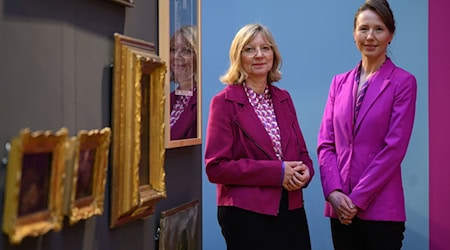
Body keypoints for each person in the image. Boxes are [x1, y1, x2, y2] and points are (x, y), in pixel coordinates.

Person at [317, 1, 417, 249]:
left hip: (380, 211)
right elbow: (325, 144)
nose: (370, 36)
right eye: (363, 29)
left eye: (378, 29)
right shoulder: (338, 83)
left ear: (390, 35)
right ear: (354, 34)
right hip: (340, 210)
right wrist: (334, 193)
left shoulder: (403, 83)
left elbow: (394, 149)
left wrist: (356, 200)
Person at [205, 23, 314, 250]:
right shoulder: (223, 102)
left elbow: (302, 152)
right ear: (238, 56)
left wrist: (306, 172)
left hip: (291, 209)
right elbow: (216, 168)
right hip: (246, 214)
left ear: (274, 55)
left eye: (265, 48)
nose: (258, 55)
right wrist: (278, 173)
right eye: (249, 49)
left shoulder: (284, 99)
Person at [169, 25, 198, 140]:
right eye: (173, 50)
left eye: (186, 51)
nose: (176, 56)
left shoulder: (203, 101)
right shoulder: (168, 99)